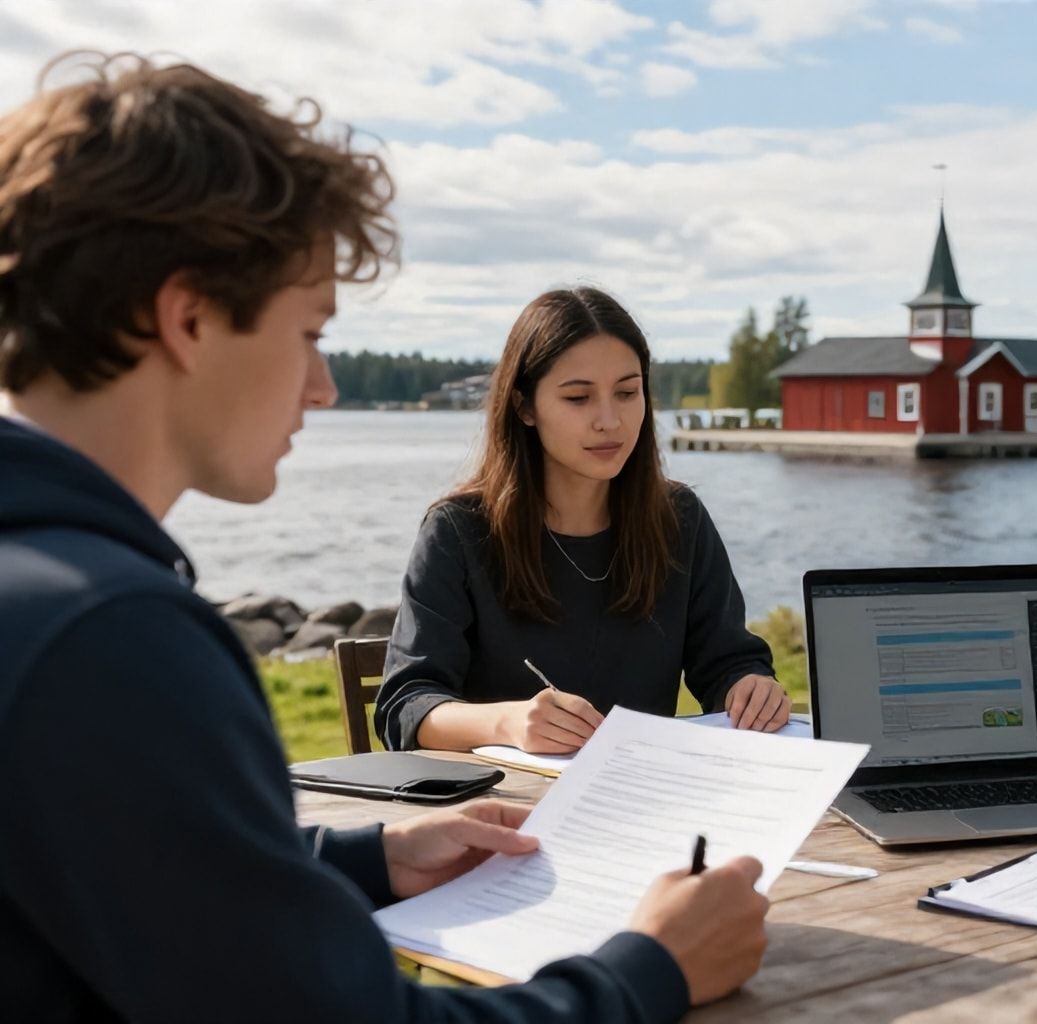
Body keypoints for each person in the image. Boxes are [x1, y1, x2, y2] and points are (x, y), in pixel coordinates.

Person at [0, 53, 768, 1021]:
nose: (322, 387)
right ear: (187, 316)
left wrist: (362, 855)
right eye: (312, 332)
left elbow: (130, 869)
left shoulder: (47, 600)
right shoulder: (108, 638)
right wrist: (651, 967)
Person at [374, 288, 789, 754]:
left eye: (628, 393)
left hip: (646, 803)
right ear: (524, 407)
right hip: (501, 809)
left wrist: (750, 686)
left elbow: (727, 661)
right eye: (578, 398)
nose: (610, 420)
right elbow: (406, 705)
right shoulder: (458, 532)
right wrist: (507, 722)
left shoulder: (680, 521)